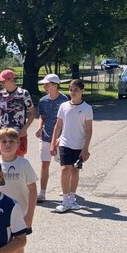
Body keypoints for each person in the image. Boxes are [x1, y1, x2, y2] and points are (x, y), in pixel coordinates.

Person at [0, 128, 38, 253]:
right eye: (3, 141)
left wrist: (29, 216)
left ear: (18, 144)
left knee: (17, 244)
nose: (7, 145)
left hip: (19, 212)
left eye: (11, 141)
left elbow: (33, 190)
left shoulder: (23, 164)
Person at [50, 79, 93, 213]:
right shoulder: (63, 106)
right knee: (64, 169)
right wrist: (53, 143)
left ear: (82, 91)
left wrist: (85, 148)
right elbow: (58, 125)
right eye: (71, 90)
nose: (73, 92)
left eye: (76, 90)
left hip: (79, 144)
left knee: (75, 170)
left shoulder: (87, 108)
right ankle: (65, 200)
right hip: (65, 143)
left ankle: (72, 198)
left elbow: (89, 130)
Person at [35, 74, 68, 202]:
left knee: (64, 164)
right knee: (44, 164)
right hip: (46, 136)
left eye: (47, 84)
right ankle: (42, 192)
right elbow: (42, 116)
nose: (44, 86)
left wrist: (63, 135)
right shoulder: (43, 100)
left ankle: (67, 188)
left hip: (61, 138)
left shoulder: (64, 100)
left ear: (55, 85)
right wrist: (39, 127)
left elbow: (67, 119)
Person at [0, 70, 36, 157]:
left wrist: (25, 129)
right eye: (1, 81)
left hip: (19, 134)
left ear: (11, 80)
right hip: (3, 133)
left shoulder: (23, 93)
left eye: (3, 81)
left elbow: (33, 113)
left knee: (19, 161)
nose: (1, 83)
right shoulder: (0, 94)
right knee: (3, 162)